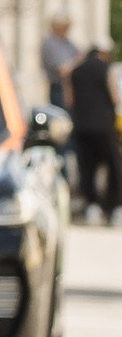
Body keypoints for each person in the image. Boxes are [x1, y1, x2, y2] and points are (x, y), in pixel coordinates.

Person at [69, 42, 118, 225]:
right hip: (104, 126)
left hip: (81, 126)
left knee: (87, 168)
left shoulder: (75, 71)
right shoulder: (107, 69)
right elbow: (115, 97)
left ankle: (92, 206)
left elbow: (70, 99)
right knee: (113, 166)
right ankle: (113, 208)